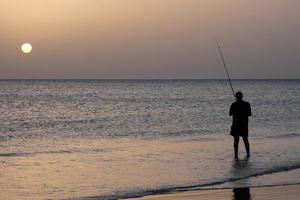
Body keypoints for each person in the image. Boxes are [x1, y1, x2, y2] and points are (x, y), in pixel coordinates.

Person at [229, 91, 252, 159]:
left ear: (236, 97)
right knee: (245, 139)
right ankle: (248, 154)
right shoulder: (246, 104)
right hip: (244, 124)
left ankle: (236, 155)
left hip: (236, 124)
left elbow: (230, 114)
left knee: (236, 139)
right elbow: (249, 114)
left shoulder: (233, 104)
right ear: (242, 96)